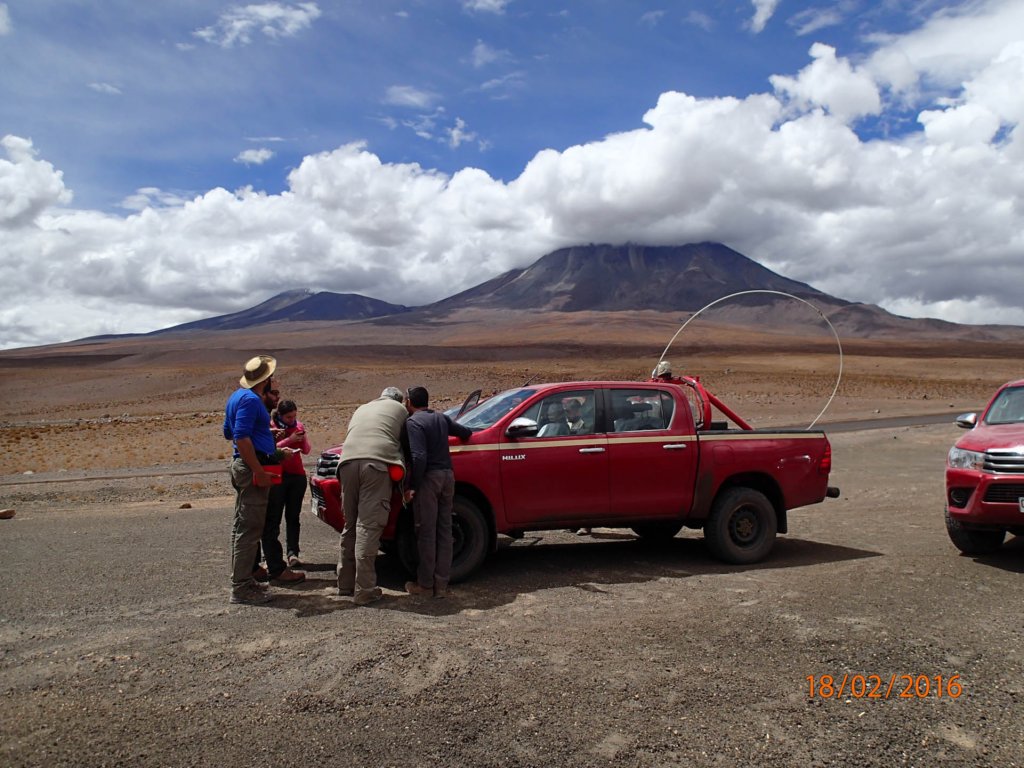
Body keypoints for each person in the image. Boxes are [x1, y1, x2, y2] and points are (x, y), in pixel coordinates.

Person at [337, 386, 410, 606]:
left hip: (346, 464)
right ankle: (365, 590)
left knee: (350, 524)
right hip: (375, 466)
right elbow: (407, 443)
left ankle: (345, 584)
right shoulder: (401, 410)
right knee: (368, 526)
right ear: (399, 400)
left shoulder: (363, 408)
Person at [403, 386, 473, 599]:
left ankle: (425, 585)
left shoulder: (413, 422)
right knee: (444, 531)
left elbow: (418, 456)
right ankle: (441, 584)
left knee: (426, 532)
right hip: (447, 477)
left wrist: (412, 485)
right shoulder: (441, 418)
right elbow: (465, 432)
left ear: (409, 402)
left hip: (429, 480)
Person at [223, 355, 280, 606]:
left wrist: (264, 432)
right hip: (250, 465)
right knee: (250, 528)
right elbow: (240, 437)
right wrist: (257, 469)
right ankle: (241, 587)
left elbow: (229, 431)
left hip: (243, 465)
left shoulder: (236, 397)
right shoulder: (250, 399)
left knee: (241, 525)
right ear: (266, 380)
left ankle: (243, 578)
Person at [269, 399, 312, 568]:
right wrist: (289, 439)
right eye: (288, 417)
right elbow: (270, 448)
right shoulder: (272, 427)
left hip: (296, 475)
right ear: (280, 415)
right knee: (274, 517)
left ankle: (293, 553)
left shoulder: (298, 425)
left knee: (293, 516)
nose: (291, 420)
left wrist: (301, 438)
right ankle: (271, 556)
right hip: (278, 475)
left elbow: (307, 450)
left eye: (294, 416)